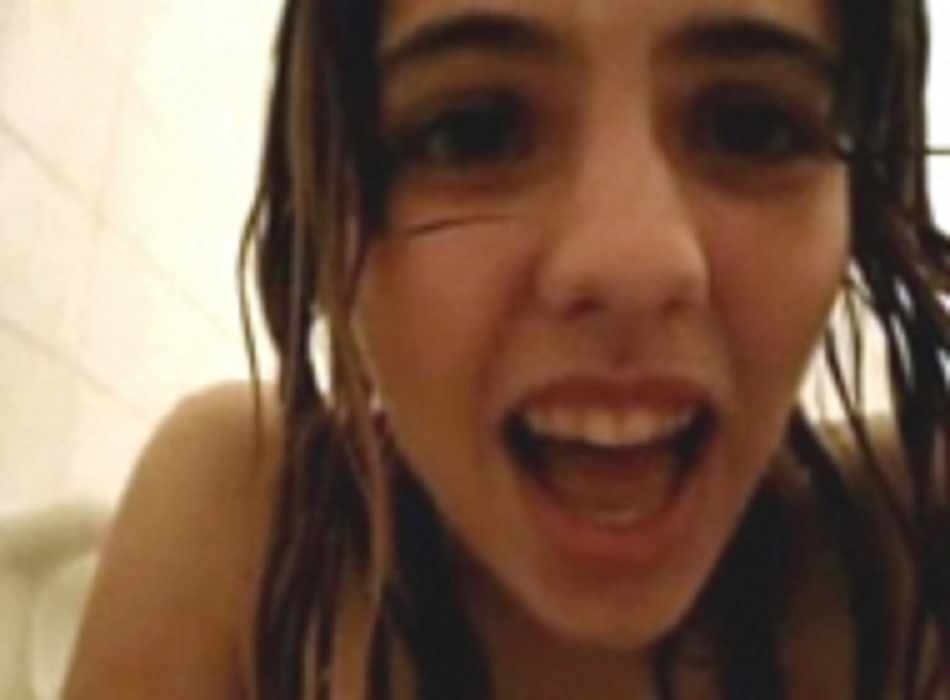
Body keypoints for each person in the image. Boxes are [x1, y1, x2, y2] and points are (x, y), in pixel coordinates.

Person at [63, 0, 950, 697]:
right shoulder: (252, 530)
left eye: (753, 126)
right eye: (472, 131)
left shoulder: (917, 552)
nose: (634, 262)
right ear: (331, 210)